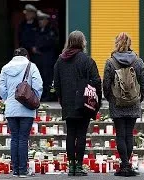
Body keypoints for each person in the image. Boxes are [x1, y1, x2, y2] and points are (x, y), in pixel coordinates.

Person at [54, 31, 102, 176]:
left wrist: (61, 98)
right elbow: (97, 81)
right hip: (84, 102)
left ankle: (71, 166)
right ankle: (79, 166)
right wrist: (96, 101)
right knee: (81, 134)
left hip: (68, 102)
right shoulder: (87, 60)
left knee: (70, 133)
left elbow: (56, 84)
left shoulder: (60, 61)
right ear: (82, 42)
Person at [103, 32, 144, 177]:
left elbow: (105, 84)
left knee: (120, 134)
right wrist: (139, 98)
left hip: (117, 103)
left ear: (116, 43)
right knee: (129, 134)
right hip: (134, 102)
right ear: (130, 43)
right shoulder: (138, 61)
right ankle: (127, 165)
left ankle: (124, 165)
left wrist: (110, 98)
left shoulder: (110, 62)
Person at [0, 48, 43, 177]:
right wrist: (34, 99)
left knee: (14, 138)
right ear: (26, 55)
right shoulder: (31, 66)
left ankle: (15, 170)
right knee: (23, 138)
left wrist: (8, 98)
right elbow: (38, 85)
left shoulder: (5, 68)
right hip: (27, 109)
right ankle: (23, 170)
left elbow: (1, 88)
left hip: (11, 108)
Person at [33, 10, 57, 101]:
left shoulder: (51, 30)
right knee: (39, 78)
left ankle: (49, 96)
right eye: (39, 20)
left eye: (42, 20)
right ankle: (41, 96)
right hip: (39, 60)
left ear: (46, 20)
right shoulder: (37, 30)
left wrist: (38, 47)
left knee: (48, 79)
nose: (40, 22)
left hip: (48, 59)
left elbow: (51, 43)